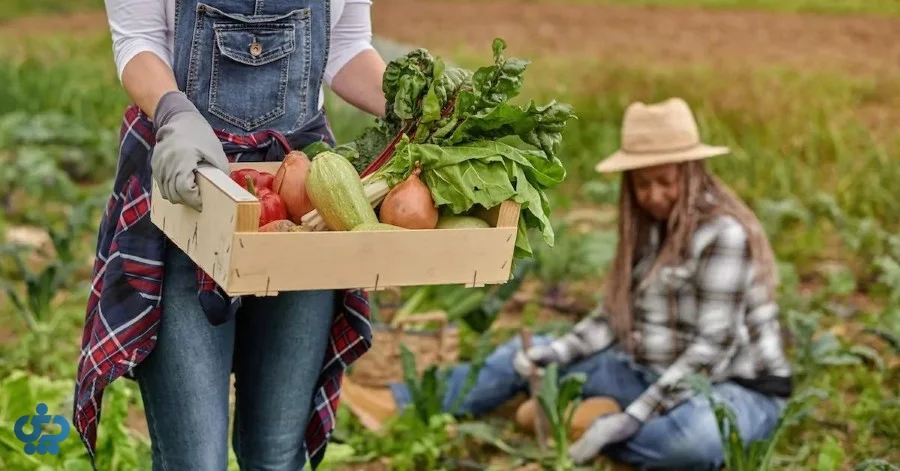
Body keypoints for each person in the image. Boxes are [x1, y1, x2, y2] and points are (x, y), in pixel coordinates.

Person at [341, 97, 794, 470]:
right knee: (519, 357)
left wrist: (634, 416)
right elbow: (614, 320)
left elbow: (709, 351)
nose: (653, 196)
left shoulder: (723, 235)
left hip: (730, 387)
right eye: (642, 185)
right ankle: (400, 403)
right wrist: (553, 354)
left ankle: (594, 424)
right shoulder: (649, 230)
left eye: (665, 182)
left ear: (691, 173)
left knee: (688, 446)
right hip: (642, 371)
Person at [73, 1, 387, 469]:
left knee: (276, 454)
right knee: (195, 460)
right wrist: (174, 112)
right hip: (188, 190)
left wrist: (420, 105)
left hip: (297, 194)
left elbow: (345, 46)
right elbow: (138, 39)